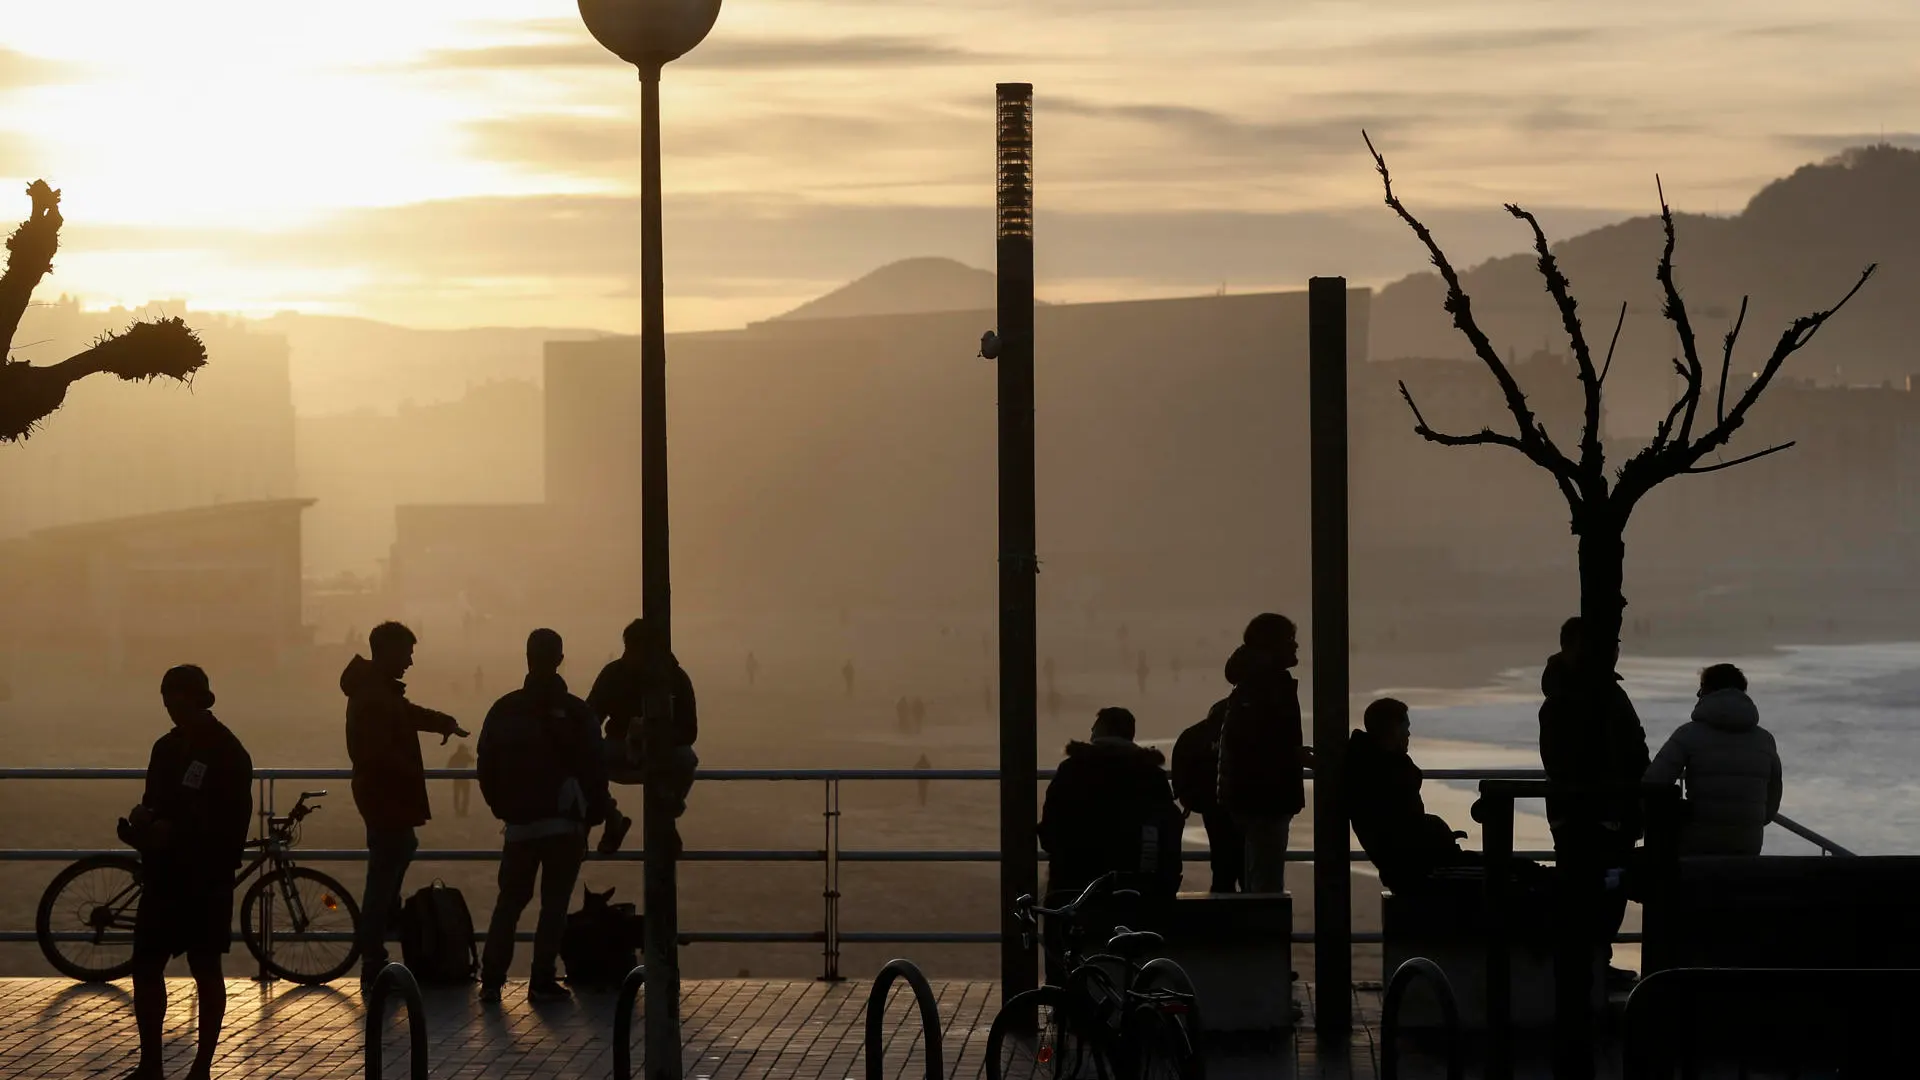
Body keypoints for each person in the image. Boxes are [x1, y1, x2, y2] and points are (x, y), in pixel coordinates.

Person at [123, 666, 252, 1080]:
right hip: (166, 873)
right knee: (146, 967)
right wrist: (145, 821)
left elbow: (230, 821)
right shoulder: (166, 747)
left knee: (205, 968)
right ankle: (151, 1065)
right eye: (166, 702)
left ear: (196, 699)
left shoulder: (229, 752)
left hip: (204, 875)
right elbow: (154, 799)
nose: (170, 710)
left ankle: (201, 1068)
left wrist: (172, 830)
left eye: (175, 701)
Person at [476, 629, 610, 1004]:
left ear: (527, 657)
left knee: (510, 903)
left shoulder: (504, 709)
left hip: (518, 825)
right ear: (560, 659)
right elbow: (595, 770)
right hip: (564, 824)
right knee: (554, 904)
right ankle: (541, 980)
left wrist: (500, 807)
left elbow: (484, 763)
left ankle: (491, 981)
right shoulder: (578, 713)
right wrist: (594, 816)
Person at [343, 621, 468, 986]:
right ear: (387, 652)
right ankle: (374, 961)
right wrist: (410, 771)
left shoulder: (377, 691)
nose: (410, 662)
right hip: (385, 798)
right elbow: (377, 752)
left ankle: (379, 948)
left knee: (389, 869)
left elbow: (407, 714)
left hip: (386, 797)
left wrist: (442, 722)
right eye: (407, 654)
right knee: (382, 880)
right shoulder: (372, 696)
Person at [1038, 707, 1183, 905]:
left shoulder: (1072, 769)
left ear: (1098, 732)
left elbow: (1051, 826)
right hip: (1134, 882)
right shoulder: (1150, 774)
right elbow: (1169, 828)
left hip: (1074, 877)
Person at [1216, 613, 1312, 893]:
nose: (1295, 646)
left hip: (1253, 794)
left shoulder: (1253, 682)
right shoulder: (1265, 685)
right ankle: (1266, 933)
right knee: (1266, 879)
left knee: (1257, 872)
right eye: (1289, 640)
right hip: (1265, 796)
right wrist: (1294, 755)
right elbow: (1255, 743)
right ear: (1272, 645)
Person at [1643, 663, 1783, 856]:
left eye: (1700, 686)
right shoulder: (1765, 740)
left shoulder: (1688, 734)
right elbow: (1772, 801)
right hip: (1748, 847)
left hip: (1696, 845)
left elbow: (1653, 784)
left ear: (1707, 690)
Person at [1347, 698, 1473, 895]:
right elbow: (1403, 835)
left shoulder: (1373, 765)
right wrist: (1440, 836)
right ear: (1393, 730)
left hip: (1419, 865)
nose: (1408, 733)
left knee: (1513, 869)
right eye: (1405, 727)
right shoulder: (1385, 773)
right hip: (1420, 872)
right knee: (1514, 874)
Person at [588, 618, 698, 836]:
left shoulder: (674, 678)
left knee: (686, 758)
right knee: (583, 755)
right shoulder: (614, 674)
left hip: (661, 752)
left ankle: (665, 819)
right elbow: (590, 721)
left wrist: (655, 737)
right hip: (620, 748)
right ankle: (612, 816)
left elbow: (689, 731)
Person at [1170, 696, 1242, 892]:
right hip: (1247, 806)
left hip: (1212, 807)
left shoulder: (1195, 735)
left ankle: (1222, 909)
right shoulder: (1249, 730)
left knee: (1221, 863)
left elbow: (1180, 772)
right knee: (1250, 868)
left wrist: (1191, 799)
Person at [449, 741, 475, 818]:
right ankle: (459, 811)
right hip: (459, 779)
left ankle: (463, 811)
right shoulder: (457, 756)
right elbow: (449, 767)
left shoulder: (460, 756)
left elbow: (472, 760)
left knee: (464, 796)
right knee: (458, 796)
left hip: (463, 779)